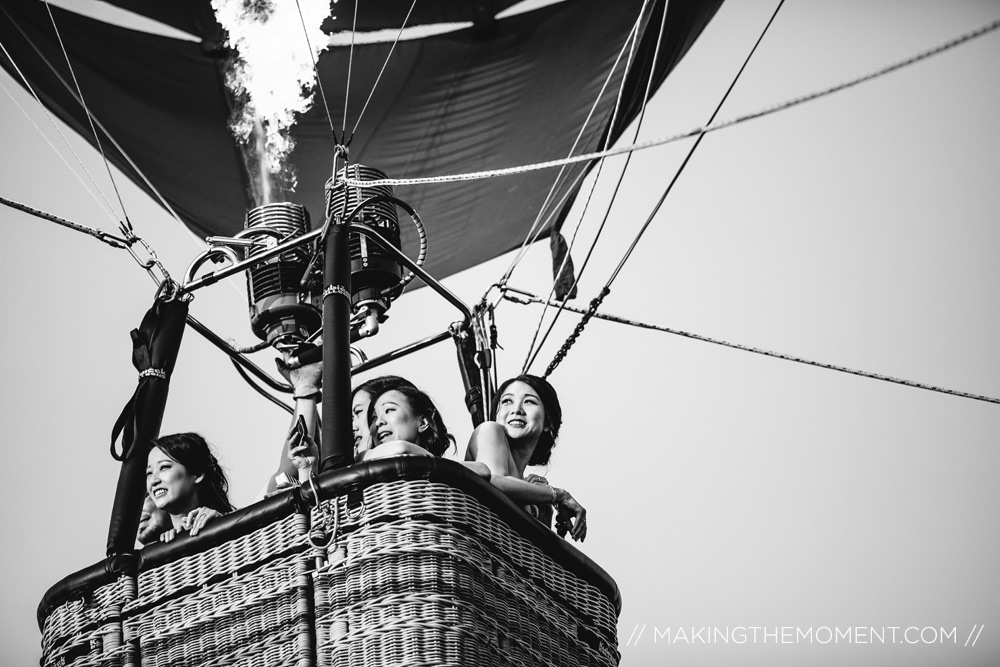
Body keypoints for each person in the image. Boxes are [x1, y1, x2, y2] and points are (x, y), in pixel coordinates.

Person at [466, 374, 587, 541]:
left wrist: (543, 513)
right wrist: (558, 495)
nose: (516, 409)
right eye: (507, 401)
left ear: (548, 422)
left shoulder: (529, 493)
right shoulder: (489, 429)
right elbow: (494, 482)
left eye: (529, 401)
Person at [146, 432, 234, 543]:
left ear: (197, 473)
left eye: (164, 467)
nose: (153, 481)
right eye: (149, 473)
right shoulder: (156, 551)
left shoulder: (238, 526)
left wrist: (223, 524)